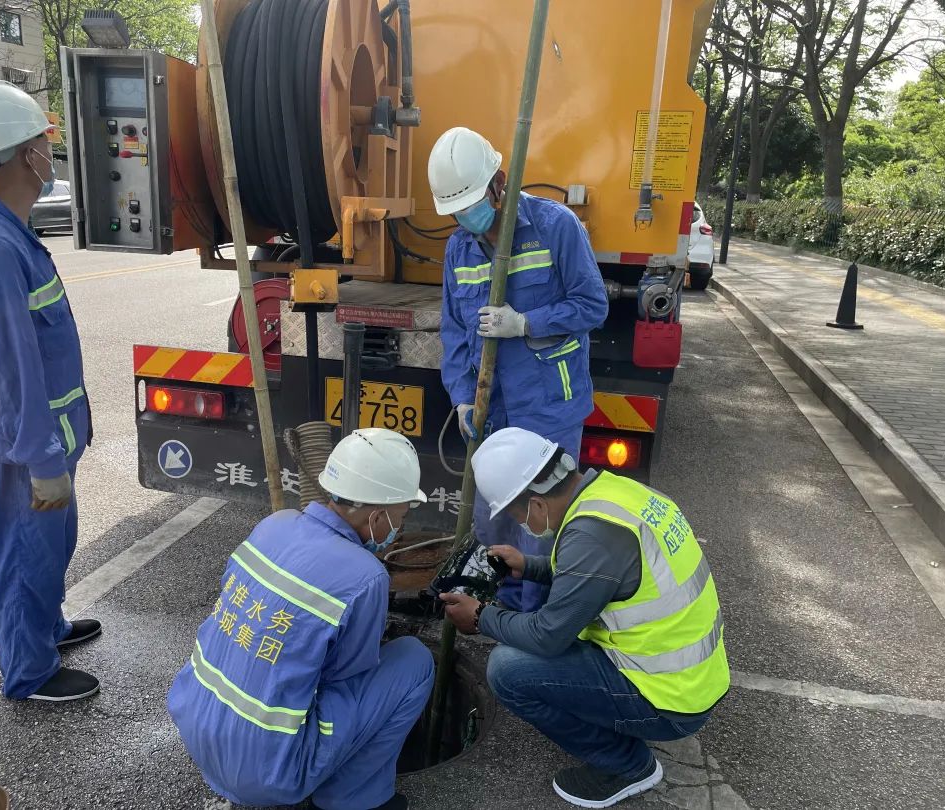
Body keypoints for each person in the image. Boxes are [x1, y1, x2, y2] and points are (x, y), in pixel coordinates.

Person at [441, 428, 729, 809]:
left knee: (507, 670)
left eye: (516, 515)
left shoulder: (591, 535)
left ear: (537, 505)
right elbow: (595, 575)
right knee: (541, 644)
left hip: (669, 700)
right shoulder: (615, 494)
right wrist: (528, 565)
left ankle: (626, 765)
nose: (521, 524)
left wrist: (480, 616)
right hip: (692, 678)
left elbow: (547, 637)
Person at [168, 429, 434, 810]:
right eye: (401, 516)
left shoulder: (274, 524)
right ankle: (354, 799)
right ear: (377, 515)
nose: (398, 530)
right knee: (413, 660)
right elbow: (346, 678)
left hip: (198, 732)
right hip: (267, 772)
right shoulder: (365, 576)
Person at [0, 80, 97, 702]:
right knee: (22, 553)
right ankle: (29, 670)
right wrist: (41, 460)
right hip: (21, 443)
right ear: (19, 154)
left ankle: (45, 628)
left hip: (32, 436)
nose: (48, 153)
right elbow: (10, 370)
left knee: (48, 543)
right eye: (42, 141)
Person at [428, 126, 609, 612]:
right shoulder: (459, 250)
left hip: (549, 405)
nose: (466, 216)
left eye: (471, 203)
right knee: (496, 520)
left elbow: (592, 305)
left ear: (499, 182)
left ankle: (541, 620)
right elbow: (454, 336)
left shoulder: (555, 226)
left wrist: (526, 322)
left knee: (544, 524)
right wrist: (462, 398)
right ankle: (497, 613)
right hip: (493, 411)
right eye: (456, 209)